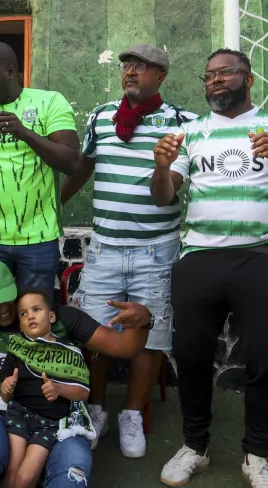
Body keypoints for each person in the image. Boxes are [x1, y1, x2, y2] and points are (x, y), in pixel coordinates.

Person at [151, 49, 268, 488]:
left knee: (266, 361)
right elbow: (164, 196)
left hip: (261, 257)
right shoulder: (191, 132)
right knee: (191, 357)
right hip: (200, 258)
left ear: (249, 78)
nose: (215, 80)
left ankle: (256, 455)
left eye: (226, 72)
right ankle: (195, 446)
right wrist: (161, 167)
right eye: (209, 75)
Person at [0, 259, 156, 488]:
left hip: (58, 418)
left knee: (75, 461)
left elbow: (123, 347)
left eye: (6, 299)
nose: (3, 309)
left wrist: (144, 321)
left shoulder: (54, 317)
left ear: (15, 287)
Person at [60, 44, 197, 458]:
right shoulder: (102, 117)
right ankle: (96, 408)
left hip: (156, 250)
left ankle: (133, 413)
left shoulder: (182, 123)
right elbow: (84, 166)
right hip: (104, 247)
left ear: (161, 76)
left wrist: (161, 165)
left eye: (141, 66)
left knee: (150, 337)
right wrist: (53, 206)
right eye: (127, 66)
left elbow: (166, 194)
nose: (131, 72)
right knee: (94, 332)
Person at [0, 41, 80, 294]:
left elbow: (72, 162)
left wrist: (25, 133)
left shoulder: (49, 102)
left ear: (10, 72)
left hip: (38, 237)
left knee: (34, 311)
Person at [0, 289, 91, 488]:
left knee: (25, 478)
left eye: (36, 309)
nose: (30, 316)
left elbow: (83, 393)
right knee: (12, 472)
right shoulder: (17, 349)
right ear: (20, 323)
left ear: (51, 317)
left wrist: (59, 389)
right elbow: (6, 398)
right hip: (19, 414)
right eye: (23, 313)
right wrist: (7, 388)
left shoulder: (68, 352)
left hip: (50, 423)